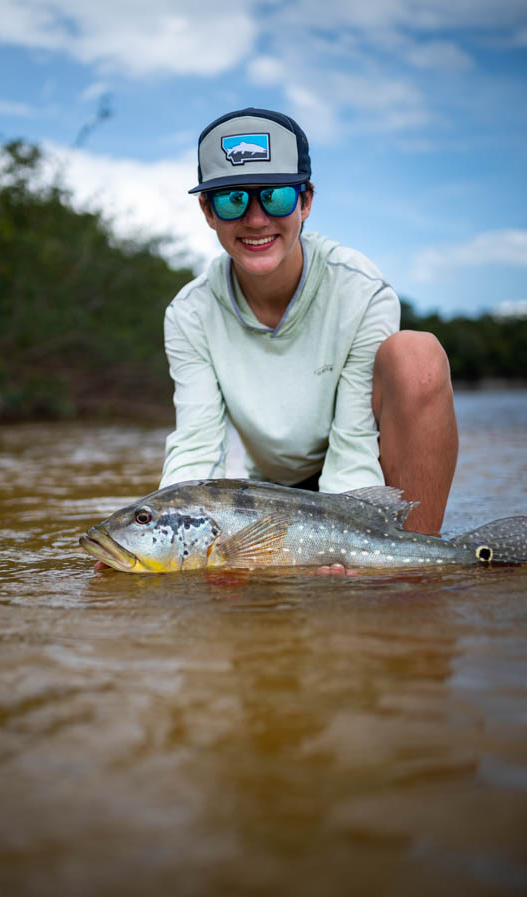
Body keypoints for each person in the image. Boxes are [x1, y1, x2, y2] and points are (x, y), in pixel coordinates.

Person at [159, 108, 458, 565]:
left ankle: (414, 564)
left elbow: (354, 438)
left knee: (417, 354)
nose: (257, 220)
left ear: (306, 202)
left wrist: (345, 548)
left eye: (276, 197)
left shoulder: (361, 289)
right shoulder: (188, 313)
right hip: (272, 495)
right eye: (232, 200)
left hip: (368, 477)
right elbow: (196, 446)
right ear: (207, 211)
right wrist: (159, 535)